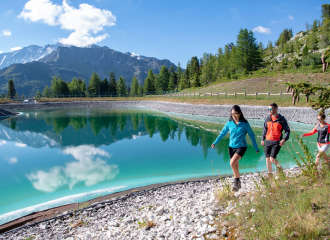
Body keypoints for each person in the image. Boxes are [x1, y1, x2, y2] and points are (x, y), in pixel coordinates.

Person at [211, 105, 259, 192]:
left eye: (236, 114)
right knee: (235, 165)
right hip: (231, 147)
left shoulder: (245, 123)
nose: (234, 116)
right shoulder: (229, 123)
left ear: (240, 113)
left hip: (241, 146)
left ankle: (236, 180)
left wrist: (256, 147)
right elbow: (222, 133)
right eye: (232, 114)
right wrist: (215, 142)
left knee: (232, 163)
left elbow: (251, 135)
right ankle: (237, 183)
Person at [261, 103, 290, 175]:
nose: (269, 110)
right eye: (268, 109)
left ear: (276, 109)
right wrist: (262, 139)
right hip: (268, 141)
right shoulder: (267, 118)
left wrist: (284, 139)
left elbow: (287, 130)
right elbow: (265, 129)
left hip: (277, 142)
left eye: (271, 109)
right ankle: (270, 174)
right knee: (267, 159)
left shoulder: (282, 119)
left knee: (272, 159)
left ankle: (280, 170)